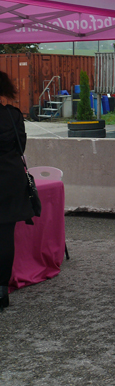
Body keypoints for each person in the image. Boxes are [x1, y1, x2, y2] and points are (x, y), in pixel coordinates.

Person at [0, 71, 35, 311]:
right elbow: (20, 147)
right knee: (5, 237)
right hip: (10, 179)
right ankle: (2, 291)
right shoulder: (12, 115)